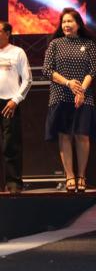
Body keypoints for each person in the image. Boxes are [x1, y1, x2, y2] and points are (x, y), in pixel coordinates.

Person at [43, 8, 96, 192]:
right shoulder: (55, 44)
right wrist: (68, 83)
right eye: (64, 21)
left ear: (78, 24)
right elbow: (47, 70)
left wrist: (81, 91)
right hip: (60, 95)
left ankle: (81, 175)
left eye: (70, 21)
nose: (66, 25)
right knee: (64, 135)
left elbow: (92, 71)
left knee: (82, 135)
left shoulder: (88, 44)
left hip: (83, 96)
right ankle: (69, 176)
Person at [0, 21, 32, 193]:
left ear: (7, 33)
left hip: (9, 103)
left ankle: (13, 183)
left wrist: (16, 100)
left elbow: (28, 80)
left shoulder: (17, 52)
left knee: (10, 145)